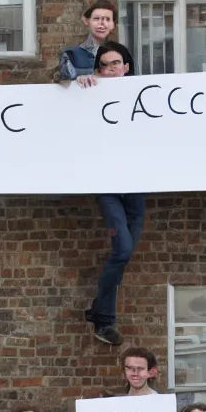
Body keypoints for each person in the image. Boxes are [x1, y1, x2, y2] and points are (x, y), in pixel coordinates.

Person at [74, 42, 144, 346]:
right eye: (103, 65)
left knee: (123, 255)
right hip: (108, 187)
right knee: (123, 250)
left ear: (126, 67)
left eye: (115, 64)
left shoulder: (147, 94)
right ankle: (103, 317)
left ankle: (100, 315)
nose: (110, 69)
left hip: (139, 184)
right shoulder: (89, 95)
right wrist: (74, 78)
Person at [57, 0, 117, 83]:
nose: (102, 23)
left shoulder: (121, 54)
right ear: (86, 21)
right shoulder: (70, 55)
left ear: (113, 24)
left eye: (107, 19)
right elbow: (61, 82)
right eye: (96, 19)